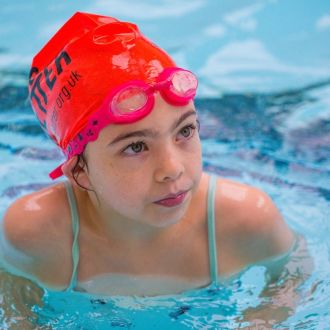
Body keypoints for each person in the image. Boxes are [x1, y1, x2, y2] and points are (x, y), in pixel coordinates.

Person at [0, 12, 295, 296]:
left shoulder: (246, 219)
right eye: (136, 146)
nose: (172, 168)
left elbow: (291, 277)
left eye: (185, 131)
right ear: (80, 172)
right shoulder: (37, 235)